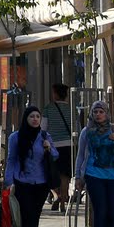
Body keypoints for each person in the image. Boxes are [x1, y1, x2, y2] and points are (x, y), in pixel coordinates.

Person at [4, 106, 58, 227]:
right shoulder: (15, 137)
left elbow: (55, 154)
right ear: (26, 119)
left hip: (41, 182)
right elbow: (11, 159)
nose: (35, 119)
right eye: (31, 116)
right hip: (22, 180)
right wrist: (8, 181)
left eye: (37, 116)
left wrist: (48, 148)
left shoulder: (44, 136)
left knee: (35, 213)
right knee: (26, 212)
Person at [74, 100, 114, 227]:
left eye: (101, 112)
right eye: (95, 112)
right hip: (93, 174)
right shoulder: (86, 131)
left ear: (107, 113)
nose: (98, 115)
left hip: (113, 175)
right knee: (100, 209)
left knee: (112, 211)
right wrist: (78, 176)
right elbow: (81, 155)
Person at [41, 83, 73, 211]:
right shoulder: (71, 109)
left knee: (48, 171)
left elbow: (43, 128)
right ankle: (63, 204)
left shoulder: (48, 108)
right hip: (68, 144)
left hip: (52, 145)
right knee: (65, 175)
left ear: (55, 94)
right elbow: (76, 127)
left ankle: (57, 195)